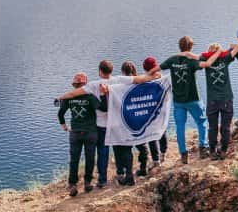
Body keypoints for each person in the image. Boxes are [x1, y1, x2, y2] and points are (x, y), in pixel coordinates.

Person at [56, 60, 160, 188]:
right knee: (125, 149)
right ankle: (128, 175)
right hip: (119, 123)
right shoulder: (119, 79)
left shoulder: (94, 85)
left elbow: (73, 93)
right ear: (111, 70)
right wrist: (154, 76)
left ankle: (102, 180)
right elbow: (139, 80)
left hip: (101, 125)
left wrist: (61, 97)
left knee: (102, 152)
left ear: (100, 71)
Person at [160, 36, 223, 164]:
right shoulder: (191, 61)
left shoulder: (171, 60)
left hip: (178, 101)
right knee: (201, 122)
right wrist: (218, 52)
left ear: (180, 46)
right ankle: (202, 147)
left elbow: (156, 69)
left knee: (180, 127)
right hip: (193, 99)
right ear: (191, 47)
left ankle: (183, 154)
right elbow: (206, 64)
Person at [57, 72, 108, 197]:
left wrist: (64, 126)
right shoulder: (90, 96)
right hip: (90, 132)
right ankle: (87, 183)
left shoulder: (69, 97)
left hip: (75, 133)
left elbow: (60, 113)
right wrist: (102, 94)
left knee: (74, 160)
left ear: (74, 84)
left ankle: (73, 184)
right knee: (90, 158)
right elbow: (104, 108)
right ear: (85, 84)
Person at [112, 61, 151, 183]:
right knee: (142, 145)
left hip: (125, 122)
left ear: (123, 72)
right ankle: (143, 168)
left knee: (126, 149)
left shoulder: (118, 86)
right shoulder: (142, 83)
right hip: (139, 119)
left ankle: (128, 175)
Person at [142, 57, 168, 168]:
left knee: (151, 135)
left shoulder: (143, 80)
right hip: (161, 110)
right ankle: (163, 153)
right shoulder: (163, 78)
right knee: (162, 131)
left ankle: (156, 159)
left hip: (149, 112)